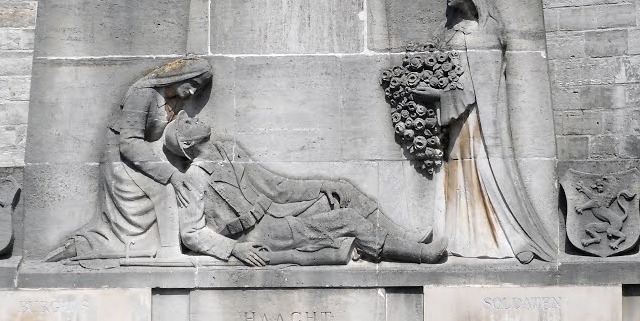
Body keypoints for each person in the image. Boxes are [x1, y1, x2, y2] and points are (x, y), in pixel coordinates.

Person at [411, 0, 555, 263]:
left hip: (477, 123)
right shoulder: (450, 30)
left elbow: (479, 88)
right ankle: (459, 236)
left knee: (483, 174)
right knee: (456, 178)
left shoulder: (486, 31)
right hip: (454, 122)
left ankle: (501, 239)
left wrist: (437, 95)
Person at [162, 111, 447, 266]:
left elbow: (277, 187)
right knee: (346, 220)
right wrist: (234, 250)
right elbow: (191, 233)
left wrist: (323, 185)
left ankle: (406, 237)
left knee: (343, 191)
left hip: (276, 212)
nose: (195, 119)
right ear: (187, 144)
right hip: (263, 234)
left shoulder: (228, 150)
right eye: (187, 124)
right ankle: (420, 256)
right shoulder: (194, 179)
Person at [45, 58, 212, 264]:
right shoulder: (143, 93)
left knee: (171, 189)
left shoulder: (174, 100)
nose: (194, 92)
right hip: (121, 158)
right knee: (165, 190)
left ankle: (163, 248)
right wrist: (171, 174)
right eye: (193, 84)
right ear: (181, 76)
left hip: (142, 155)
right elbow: (129, 142)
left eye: (199, 88)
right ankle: (168, 253)